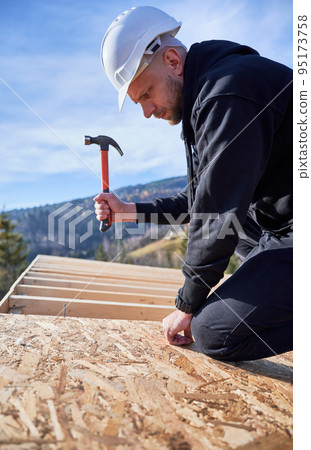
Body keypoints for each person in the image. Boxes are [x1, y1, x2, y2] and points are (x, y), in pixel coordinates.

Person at [94, 6, 293, 361]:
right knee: (231, 221)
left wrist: (187, 303)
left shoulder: (227, 93)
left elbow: (216, 212)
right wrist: (128, 212)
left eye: (146, 94)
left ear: (172, 60)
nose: (147, 111)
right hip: (285, 224)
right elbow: (198, 201)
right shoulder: (205, 96)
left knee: (213, 331)